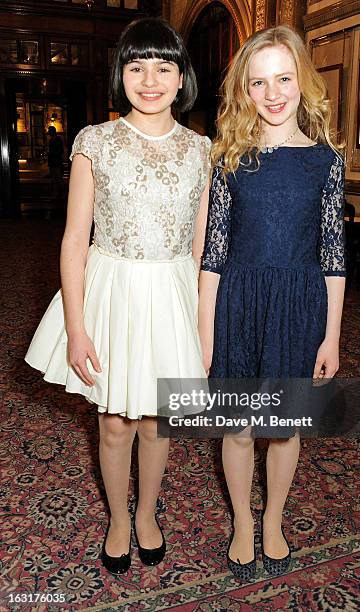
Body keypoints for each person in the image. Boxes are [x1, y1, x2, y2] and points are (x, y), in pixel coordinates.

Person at [25, 18, 211, 575]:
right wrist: (77, 328)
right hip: (113, 292)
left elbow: (204, 250)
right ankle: (116, 518)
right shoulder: (95, 143)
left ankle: (148, 512)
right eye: (136, 67)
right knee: (113, 420)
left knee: (158, 418)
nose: (149, 80)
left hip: (173, 293)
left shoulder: (201, 150)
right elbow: (74, 239)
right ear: (120, 75)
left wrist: (207, 326)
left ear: (181, 78)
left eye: (163, 67)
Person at [199, 25, 346, 581]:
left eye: (284, 77)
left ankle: (275, 516)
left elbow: (333, 256)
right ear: (245, 91)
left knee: (285, 426)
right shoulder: (229, 159)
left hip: (299, 306)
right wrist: (206, 331)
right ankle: (241, 519)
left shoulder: (327, 162)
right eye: (259, 82)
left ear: (303, 81)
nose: (274, 92)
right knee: (237, 425)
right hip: (238, 301)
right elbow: (213, 254)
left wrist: (331, 336)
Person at [47, 125, 64, 200]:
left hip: (57, 162)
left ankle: (62, 193)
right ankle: (56, 193)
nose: (48, 132)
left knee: (59, 178)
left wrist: (51, 153)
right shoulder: (51, 140)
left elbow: (60, 151)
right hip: (52, 162)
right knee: (54, 179)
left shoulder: (58, 140)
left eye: (49, 131)